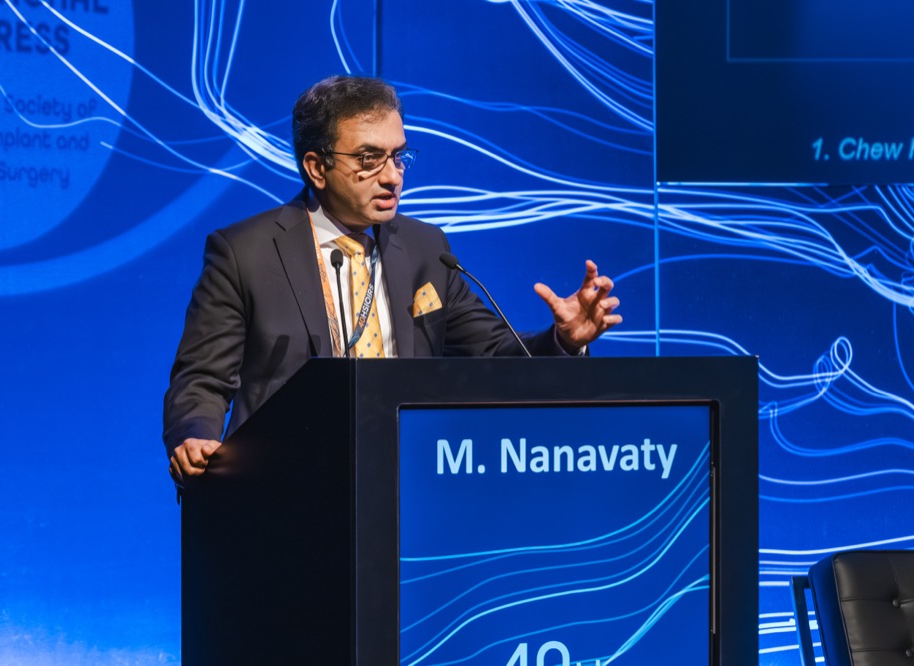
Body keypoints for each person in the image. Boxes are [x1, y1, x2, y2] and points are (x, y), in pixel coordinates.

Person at [163, 75, 621, 486]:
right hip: (285, 489)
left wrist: (563, 341)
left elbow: (497, 356)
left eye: (398, 157)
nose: (392, 177)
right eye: (369, 159)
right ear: (317, 167)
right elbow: (202, 379)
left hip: (410, 488)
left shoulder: (426, 249)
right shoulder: (246, 252)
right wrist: (195, 437)